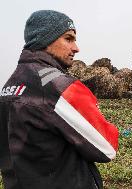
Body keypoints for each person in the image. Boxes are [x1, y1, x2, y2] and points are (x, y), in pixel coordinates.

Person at [0, 10, 119, 189]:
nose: (76, 48)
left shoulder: (9, 86)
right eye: (68, 39)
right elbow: (107, 147)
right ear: (45, 39)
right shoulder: (60, 86)